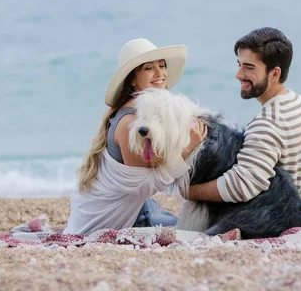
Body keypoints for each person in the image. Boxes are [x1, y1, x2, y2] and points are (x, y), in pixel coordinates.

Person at [63, 38, 207, 235]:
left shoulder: (144, 115)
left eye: (162, 65)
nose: (159, 73)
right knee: (191, 232)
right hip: (100, 220)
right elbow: (142, 187)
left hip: (132, 206)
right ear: (132, 79)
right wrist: (188, 148)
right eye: (149, 68)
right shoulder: (130, 121)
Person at [186, 27, 301, 225]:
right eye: (239, 65)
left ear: (274, 73)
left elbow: (242, 186)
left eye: (249, 68)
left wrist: (189, 190)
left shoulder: (267, 123)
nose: (239, 74)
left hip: (285, 223)